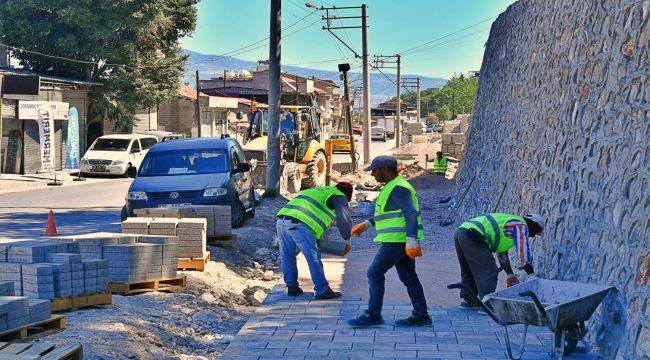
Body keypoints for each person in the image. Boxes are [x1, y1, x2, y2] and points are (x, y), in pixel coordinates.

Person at [347, 156, 431, 327]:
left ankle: (373, 315)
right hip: (399, 241)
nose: (372, 174)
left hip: (397, 241)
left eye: (374, 170)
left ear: (385, 169)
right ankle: (421, 315)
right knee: (408, 276)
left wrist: (411, 240)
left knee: (374, 273)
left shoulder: (398, 188)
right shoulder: (391, 187)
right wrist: (365, 225)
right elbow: (387, 214)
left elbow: (411, 213)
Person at [276, 182, 354, 300]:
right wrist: (348, 236)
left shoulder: (319, 190)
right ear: (348, 195)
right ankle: (322, 290)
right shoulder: (339, 196)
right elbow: (343, 220)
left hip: (282, 220)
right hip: (299, 224)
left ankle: (292, 288)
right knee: (313, 258)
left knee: (287, 255)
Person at [454, 213, 545, 309]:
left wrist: (510, 274)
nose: (534, 235)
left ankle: (468, 301)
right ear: (533, 224)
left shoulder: (510, 224)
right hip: (473, 234)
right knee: (489, 271)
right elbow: (523, 254)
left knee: (468, 270)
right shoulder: (521, 226)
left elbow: (503, 256)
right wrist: (532, 276)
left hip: (461, 231)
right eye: (536, 231)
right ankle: (488, 305)